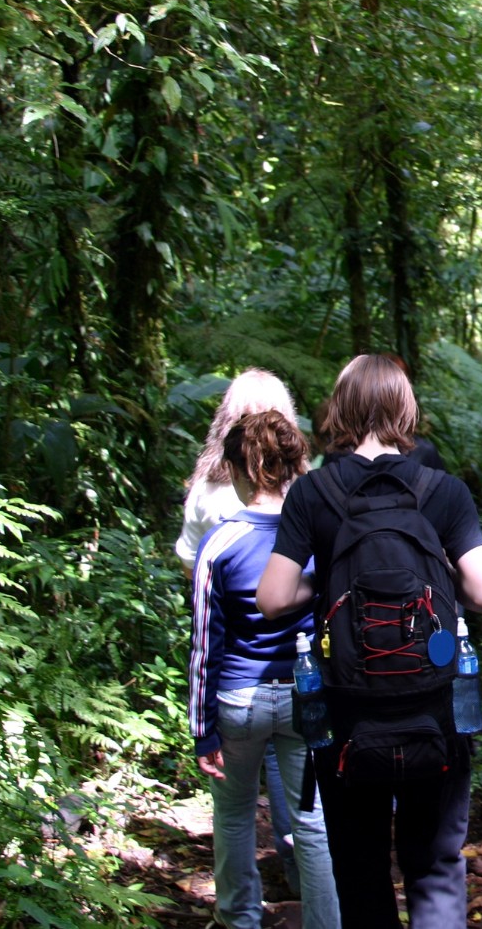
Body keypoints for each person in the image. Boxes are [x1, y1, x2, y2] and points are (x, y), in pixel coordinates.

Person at [258, 354, 482, 928]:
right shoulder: (442, 491)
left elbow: (272, 599)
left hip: (345, 714)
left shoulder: (312, 494)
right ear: (405, 407)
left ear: (339, 409)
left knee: (361, 868)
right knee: (436, 865)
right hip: (435, 707)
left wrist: (330, 579)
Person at [188, 411, 339, 929]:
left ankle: (239, 921)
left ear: (240, 469)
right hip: (305, 697)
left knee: (232, 816)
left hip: (237, 701)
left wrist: (201, 729)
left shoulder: (220, 544)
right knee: (313, 824)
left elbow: (205, 644)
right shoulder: (318, 537)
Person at [176, 368, 305, 893]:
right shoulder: (307, 496)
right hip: (296, 672)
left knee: (233, 804)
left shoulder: (209, 491)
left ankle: (239, 910)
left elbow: (193, 568)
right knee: (301, 798)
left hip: (233, 671)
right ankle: (305, 885)